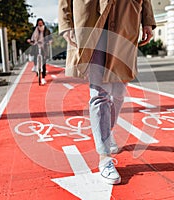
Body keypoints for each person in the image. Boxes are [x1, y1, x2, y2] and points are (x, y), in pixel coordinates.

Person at [58, 0, 156, 184]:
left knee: (119, 92)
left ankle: (106, 132)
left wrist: (147, 20)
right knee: (99, 93)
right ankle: (105, 158)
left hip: (125, 18)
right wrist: (66, 23)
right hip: (91, 18)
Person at [27, 18, 52, 85]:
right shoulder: (35, 30)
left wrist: (50, 41)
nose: (40, 24)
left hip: (44, 45)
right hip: (36, 44)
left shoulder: (46, 30)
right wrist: (30, 40)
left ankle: (43, 77)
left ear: (43, 23)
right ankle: (35, 66)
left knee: (43, 61)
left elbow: (50, 37)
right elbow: (32, 37)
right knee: (35, 53)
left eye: (41, 22)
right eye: (39, 23)